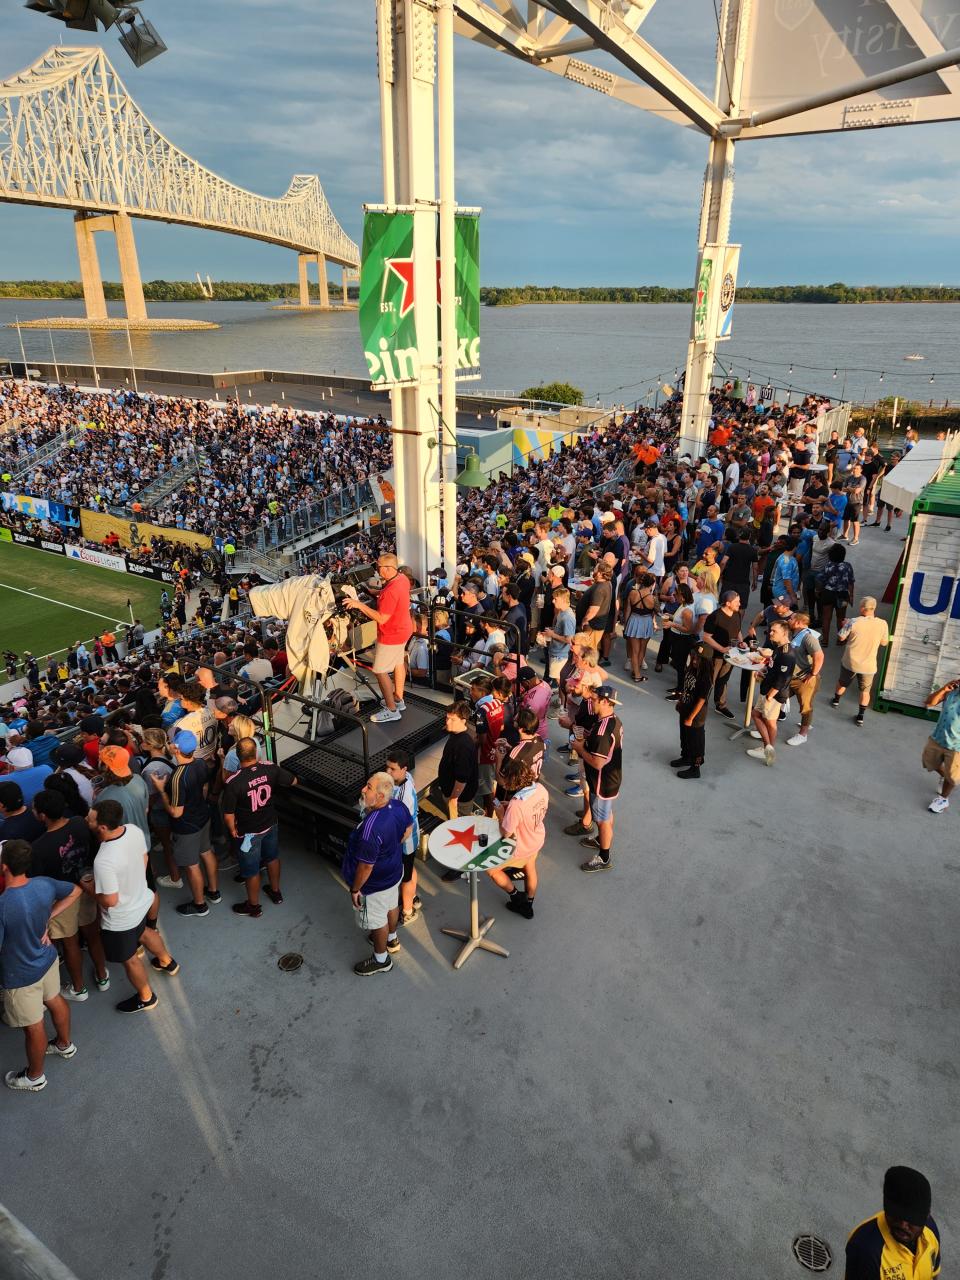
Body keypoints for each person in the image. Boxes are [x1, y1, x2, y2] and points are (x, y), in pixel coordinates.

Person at [0, 839, 81, 1092]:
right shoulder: (43, 884)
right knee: (55, 999)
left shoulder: (3, 905)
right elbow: (76, 890)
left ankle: (35, 1077)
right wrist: (48, 916)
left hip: (20, 976)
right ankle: (64, 1044)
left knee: (33, 1026)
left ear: (4, 867)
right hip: (47, 960)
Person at [88, 799, 179, 1013]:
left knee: (130, 960)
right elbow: (144, 858)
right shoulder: (133, 830)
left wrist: (88, 889)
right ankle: (167, 961)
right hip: (142, 899)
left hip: (121, 918)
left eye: (90, 819)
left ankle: (146, 997)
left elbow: (110, 901)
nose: (86, 820)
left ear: (102, 827)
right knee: (145, 931)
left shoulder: (103, 860)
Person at [30, 788, 109, 1000]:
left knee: (70, 943)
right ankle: (102, 976)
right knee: (93, 934)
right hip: (86, 886)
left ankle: (78, 988)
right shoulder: (79, 823)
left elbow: (38, 881)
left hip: (61, 898)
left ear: (43, 815)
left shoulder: (38, 847)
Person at [341, 772, 411, 976]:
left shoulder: (371, 829)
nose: (363, 789)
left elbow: (365, 867)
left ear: (380, 796)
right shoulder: (397, 807)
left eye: (369, 787)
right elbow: (408, 828)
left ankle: (381, 960)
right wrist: (391, 849)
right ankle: (392, 938)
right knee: (391, 905)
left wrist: (355, 889)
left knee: (376, 920)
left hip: (374, 885)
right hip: (394, 871)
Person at [222, 737, 296, 918]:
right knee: (272, 858)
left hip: (248, 832)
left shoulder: (234, 782)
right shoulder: (270, 768)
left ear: (238, 757)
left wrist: (232, 829)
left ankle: (253, 906)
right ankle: (276, 892)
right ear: (256, 752)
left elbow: (228, 814)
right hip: (270, 824)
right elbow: (293, 781)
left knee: (251, 871)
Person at [150, 728, 219, 916]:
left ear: (177, 749)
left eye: (173, 743)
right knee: (206, 852)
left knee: (191, 864)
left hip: (187, 827)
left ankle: (199, 905)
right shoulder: (200, 763)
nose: (170, 744)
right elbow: (204, 787)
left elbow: (175, 812)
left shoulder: (178, 777)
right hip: (203, 817)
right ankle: (213, 892)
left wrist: (161, 790)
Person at [345, 552, 413, 723]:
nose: (376, 570)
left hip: (391, 634)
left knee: (379, 670)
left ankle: (391, 709)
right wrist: (373, 592)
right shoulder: (402, 578)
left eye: (378, 567)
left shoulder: (391, 590)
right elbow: (389, 595)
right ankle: (398, 699)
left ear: (389, 569)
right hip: (404, 629)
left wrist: (359, 605)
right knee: (398, 662)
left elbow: (382, 617)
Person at [845, 1166, 939, 1280]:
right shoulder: (865, 1249)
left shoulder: (931, 1232)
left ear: (927, 1216)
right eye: (897, 1215)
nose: (903, 1225)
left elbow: (933, 1274)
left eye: (911, 1219)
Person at [568, 685, 622, 873]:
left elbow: (598, 763)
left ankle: (604, 857)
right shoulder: (612, 721)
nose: (591, 700)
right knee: (606, 815)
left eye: (595, 698)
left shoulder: (602, 731)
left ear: (605, 702)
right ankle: (601, 840)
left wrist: (580, 748)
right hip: (610, 779)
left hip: (602, 782)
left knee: (602, 820)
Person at [486, 757, 548, 919]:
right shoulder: (541, 788)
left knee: (492, 871)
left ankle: (515, 895)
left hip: (521, 846)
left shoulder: (516, 804)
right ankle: (529, 904)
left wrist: (501, 815)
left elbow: (506, 833)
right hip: (537, 838)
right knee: (530, 868)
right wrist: (511, 806)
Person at [831, 596, 889, 727]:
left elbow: (841, 637)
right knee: (865, 691)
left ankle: (836, 700)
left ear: (862, 608)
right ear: (874, 608)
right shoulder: (883, 624)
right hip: (869, 665)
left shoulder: (853, 622)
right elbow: (884, 643)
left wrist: (844, 625)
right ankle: (861, 716)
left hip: (850, 661)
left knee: (842, 682)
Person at [746, 620, 796, 766]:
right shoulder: (779, 648)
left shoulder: (787, 654)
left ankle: (768, 749)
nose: (770, 633)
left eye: (774, 631)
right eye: (770, 630)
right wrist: (764, 670)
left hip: (773, 694)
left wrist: (769, 696)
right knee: (757, 715)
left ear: (784, 633)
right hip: (767, 690)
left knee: (770, 722)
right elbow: (774, 666)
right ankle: (767, 746)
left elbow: (783, 678)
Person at [386, 747, 421, 926]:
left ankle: (407, 911)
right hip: (412, 839)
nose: (388, 772)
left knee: (405, 878)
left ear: (404, 769)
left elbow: (404, 826)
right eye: (387, 768)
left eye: (392, 769)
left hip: (405, 841)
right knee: (410, 868)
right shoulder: (407, 779)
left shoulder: (403, 794)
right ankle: (413, 898)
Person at [429, 701, 479, 823]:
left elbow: (462, 778)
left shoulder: (463, 745)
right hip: (453, 793)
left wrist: (453, 798)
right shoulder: (458, 733)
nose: (447, 722)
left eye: (452, 720)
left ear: (463, 720)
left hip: (459, 799)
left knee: (458, 826)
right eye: (447, 718)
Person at [671, 641, 714, 779]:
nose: (694, 661)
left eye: (698, 659)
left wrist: (691, 717)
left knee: (696, 740)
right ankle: (686, 757)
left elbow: (702, 700)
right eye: (693, 657)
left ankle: (695, 768)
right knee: (684, 735)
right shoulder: (690, 669)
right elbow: (685, 688)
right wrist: (680, 701)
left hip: (696, 715)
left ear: (705, 661)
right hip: (685, 708)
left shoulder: (706, 677)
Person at [785, 611, 824, 747]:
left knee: (805, 707)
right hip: (790, 677)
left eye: (791, 618)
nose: (788, 619)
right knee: (777, 698)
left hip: (804, 680)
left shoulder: (808, 637)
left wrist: (813, 674)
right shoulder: (793, 633)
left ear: (799, 622)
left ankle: (803, 734)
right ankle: (767, 724)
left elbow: (819, 656)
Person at [922, 675, 960, 814]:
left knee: (952, 775)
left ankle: (943, 799)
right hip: (938, 738)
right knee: (929, 762)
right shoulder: (951, 691)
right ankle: (945, 776)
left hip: (957, 746)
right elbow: (929, 702)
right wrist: (943, 689)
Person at [702, 590, 743, 719]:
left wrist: (741, 642)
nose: (739, 604)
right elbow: (706, 637)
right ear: (728, 603)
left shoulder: (737, 614)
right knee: (710, 681)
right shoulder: (715, 616)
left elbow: (738, 630)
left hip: (731, 655)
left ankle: (721, 705)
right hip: (715, 655)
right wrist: (722, 649)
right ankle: (700, 704)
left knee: (723, 680)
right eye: (737, 602)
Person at [621, 568, 659, 682]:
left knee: (634, 650)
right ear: (652, 584)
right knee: (642, 649)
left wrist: (626, 625)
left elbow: (627, 610)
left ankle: (636, 671)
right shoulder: (653, 599)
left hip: (634, 621)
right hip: (646, 623)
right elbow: (657, 612)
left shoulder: (633, 593)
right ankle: (637, 674)